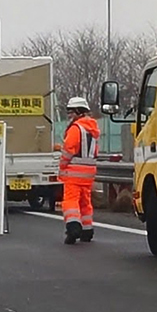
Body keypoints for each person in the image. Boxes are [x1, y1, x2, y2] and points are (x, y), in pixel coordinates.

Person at [59, 96, 100, 244]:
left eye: (71, 111)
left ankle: (73, 228)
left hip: (73, 173)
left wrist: (62, 165)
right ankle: (87, 230)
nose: (69, 115)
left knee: (71, 201)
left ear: (78, 111)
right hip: (88, 173)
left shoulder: (76, 128)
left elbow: (69, 149)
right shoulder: (92, 128)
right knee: (85, 202)